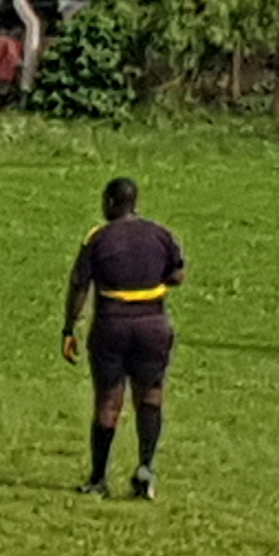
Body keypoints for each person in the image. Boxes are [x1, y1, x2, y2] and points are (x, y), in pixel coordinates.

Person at [62, 175, 187, 499]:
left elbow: (79, 285)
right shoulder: (161, 234)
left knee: (109, 400)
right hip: (153, 325)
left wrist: (69, 327)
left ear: (111, 203)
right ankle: (145, 468)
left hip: (112, 325)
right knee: (151, 394)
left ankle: (99, 479)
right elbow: (177, 275)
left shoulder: (98, 237)